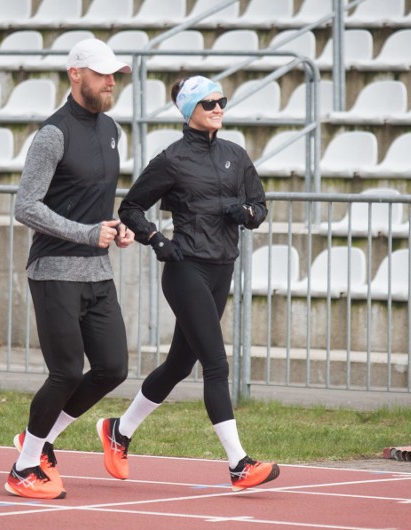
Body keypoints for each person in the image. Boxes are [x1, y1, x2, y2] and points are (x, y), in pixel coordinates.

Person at [98, 75, 280, 491]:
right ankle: (239, 464)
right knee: (215, 364)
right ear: (190, 111)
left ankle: (118, 432)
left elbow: (260, 206)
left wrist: (246, 214)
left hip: (222, 269)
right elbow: (131, 208)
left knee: (180, 364)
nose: (218, 108)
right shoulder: (172, 159)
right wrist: (156, 239)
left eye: (222, 100)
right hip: (185, 270)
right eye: (209, 102)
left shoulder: (236, 154)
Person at [6, 38, 135, 500]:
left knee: (113, 367)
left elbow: (93, 202)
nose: (110, 82)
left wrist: (116, 227)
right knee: (65, 372)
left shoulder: (113, 130)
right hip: (55, 270)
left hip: (97, 272)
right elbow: (26, 206)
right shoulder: (52, 134)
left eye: (114, 74)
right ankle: (23, 469)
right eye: (102, 74)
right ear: (75, 74)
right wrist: (84, 233)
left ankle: (37, 441)